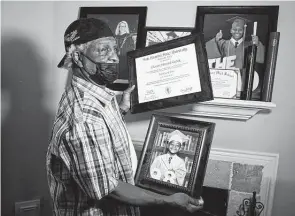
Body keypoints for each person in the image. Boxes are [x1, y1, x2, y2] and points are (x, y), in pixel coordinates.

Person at [46, 18, 203, 216]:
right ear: (77, 57)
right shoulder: (83, 119)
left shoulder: (93, 96)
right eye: (103, 50)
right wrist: (168, 201)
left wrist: (121, 109)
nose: (115, 58)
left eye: (115, 49)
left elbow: (98, 137)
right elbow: (108, 188)